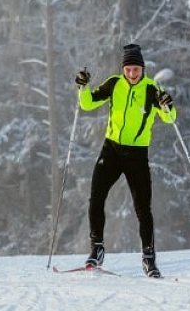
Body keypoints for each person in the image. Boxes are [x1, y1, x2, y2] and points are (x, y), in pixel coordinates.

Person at [75, 43, 176, 278]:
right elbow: (87, 103)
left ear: (142, 69)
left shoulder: (152, 90)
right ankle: (97, 249)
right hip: (111, 150)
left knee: (143, 208)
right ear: (123, 69)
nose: (132, 74)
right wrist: (83, 86)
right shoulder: (114, 84)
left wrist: (167, 104)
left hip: (137, 155)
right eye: (129, 69)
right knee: (96, 197)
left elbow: (170, 119)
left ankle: (149, 259)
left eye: (136, 70)